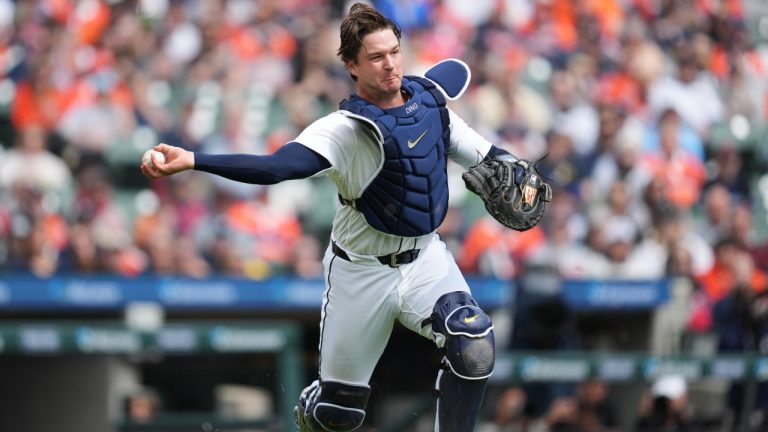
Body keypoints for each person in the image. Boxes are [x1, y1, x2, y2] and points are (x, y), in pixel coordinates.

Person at [142, 4, 532, 430]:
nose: (390, 64)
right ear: (351, 65)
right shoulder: (343, 130)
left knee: (474, 343)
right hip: (360, 273)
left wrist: (518, 170)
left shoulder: (432, 106)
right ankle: (319, 403)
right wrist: (195, 160)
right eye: (376, 57)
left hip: (424, 260)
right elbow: (276, 168)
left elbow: (490, 156)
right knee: (338, 415)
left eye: (395, 52)